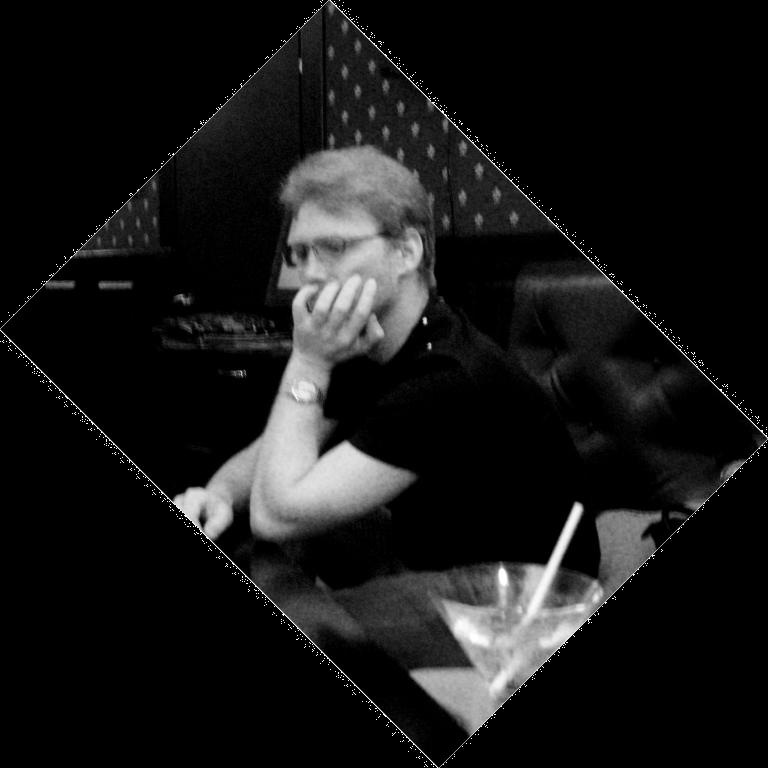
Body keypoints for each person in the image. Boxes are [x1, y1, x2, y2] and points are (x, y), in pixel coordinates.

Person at [174, 145, 600, 583]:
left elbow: (276, 515)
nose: (311, 274)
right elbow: (273, 453)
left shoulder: (447, 377)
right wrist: (219, 492)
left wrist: (308, 361)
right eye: (299, 253)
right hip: (430, 578)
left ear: (406, 252)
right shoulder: (366, 343)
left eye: (333, 247)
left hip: (518, 606)